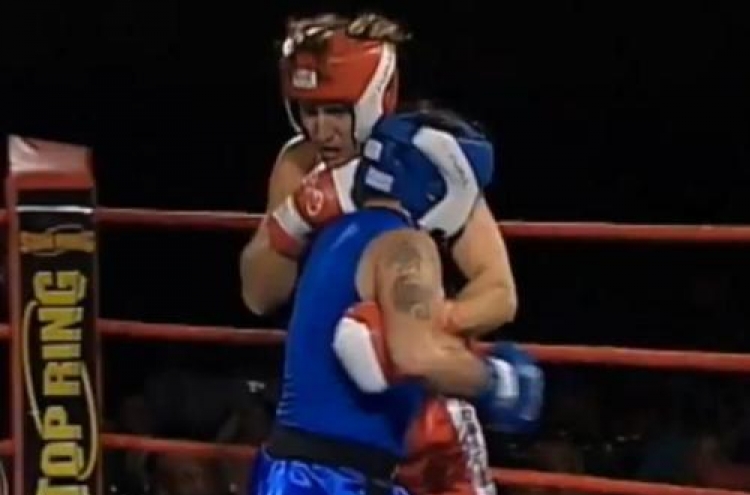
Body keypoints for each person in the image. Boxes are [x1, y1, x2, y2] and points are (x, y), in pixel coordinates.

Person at [239, 13, 518, 495]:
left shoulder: (428, 168)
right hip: (329, 408)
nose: (321, 129)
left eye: (336, 111)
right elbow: (258, 295)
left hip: (422, 401)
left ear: (372, 101)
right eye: (308, 111)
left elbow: (499, 293)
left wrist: (407, 329)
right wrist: (300, 214)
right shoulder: (299, 163)